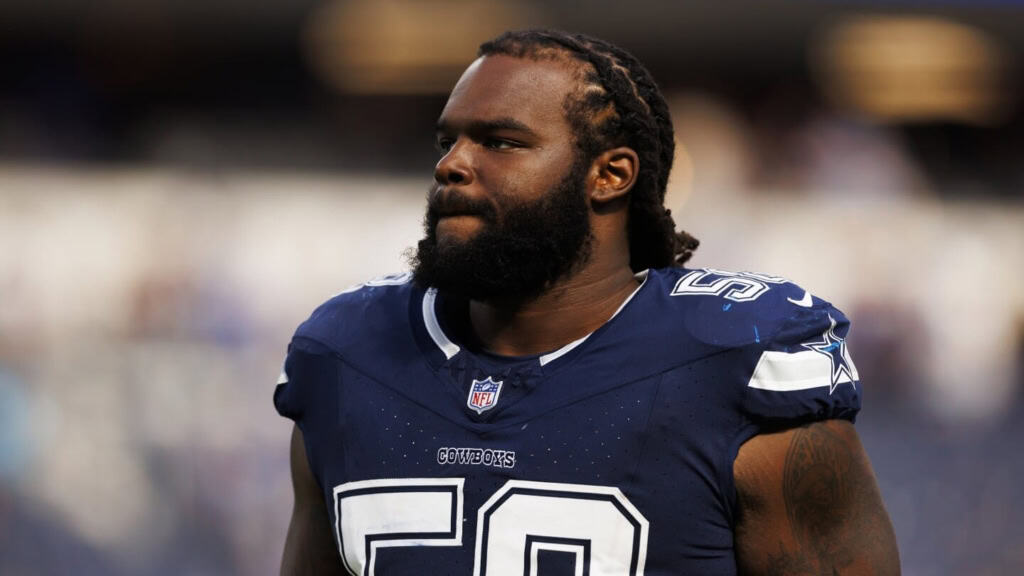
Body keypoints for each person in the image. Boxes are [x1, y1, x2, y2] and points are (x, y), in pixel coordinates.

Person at [274, 29, 900, 575]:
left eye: (499, 141)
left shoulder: (731, 363)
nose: (453, 164)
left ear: (611, 174)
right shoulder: (346, 357)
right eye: (448, 140)